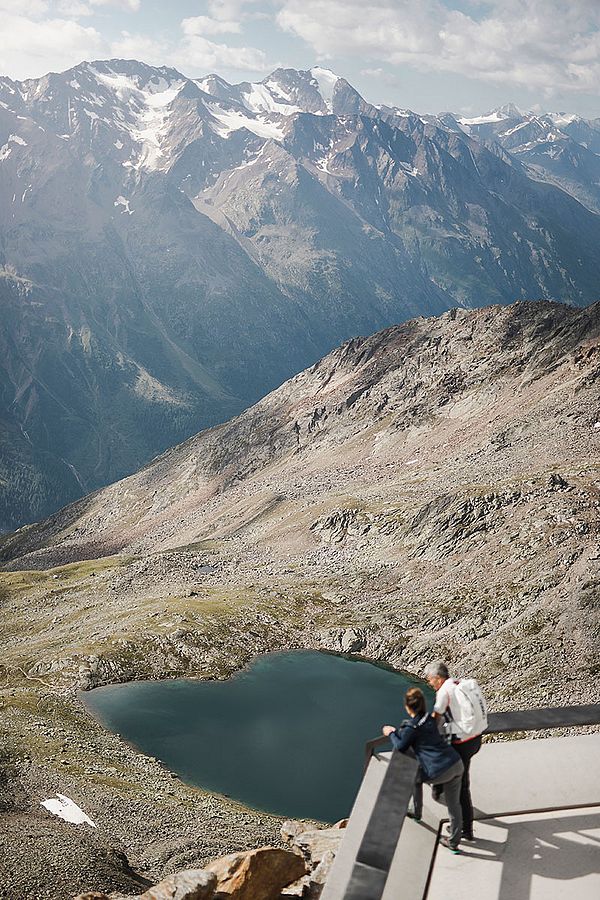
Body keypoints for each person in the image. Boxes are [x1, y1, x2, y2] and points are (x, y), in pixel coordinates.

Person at [382, 687, 464, 852]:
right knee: (454, 804)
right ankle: (454, 841)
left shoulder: (412, 728)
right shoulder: (430, 718)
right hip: (456, 763)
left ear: (408, 707)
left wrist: (390, 733)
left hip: (440, 770)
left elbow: (401, 746)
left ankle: (416, 812)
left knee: (415, 777)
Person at [425, 661, 483, 842]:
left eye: (430, 680)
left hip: (461, 744)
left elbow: (436, 716)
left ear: (438, 678)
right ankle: (439, 790)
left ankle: (464, 830)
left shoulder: (444, 692)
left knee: (461, 787)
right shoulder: (460, 684)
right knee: (458, 780)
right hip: (475, 740)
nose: (429, 684)